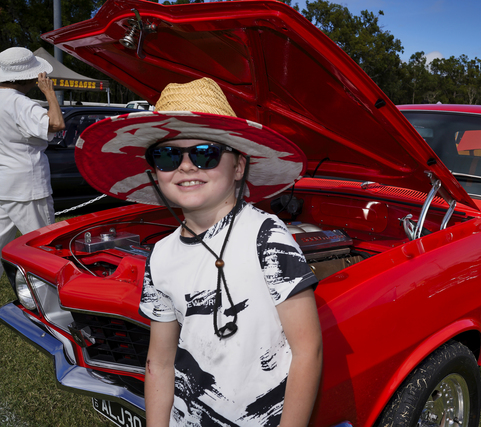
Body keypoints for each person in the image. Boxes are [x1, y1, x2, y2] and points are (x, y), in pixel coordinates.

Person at [76, 77, 323, 426]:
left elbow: (307, 350)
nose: (187, 165)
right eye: (167, 156)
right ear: (154, 174)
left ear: (238, 167)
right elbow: (160, 362)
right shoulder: (160, 255)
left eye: (206, 153)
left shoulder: (266, 235)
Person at [0, 47, 64, 277]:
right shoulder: (20, 103)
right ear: (28, 76)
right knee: (42, 248)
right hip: (28, 186)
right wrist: (50, 93)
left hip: (4, 183)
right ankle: (48, 297)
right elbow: (56, 124)